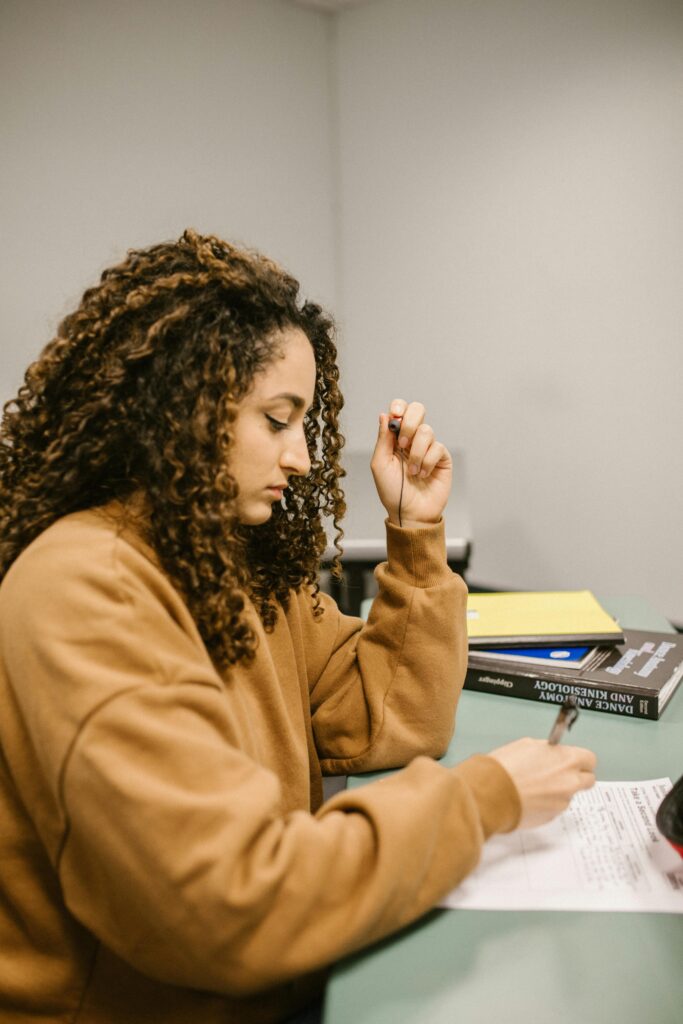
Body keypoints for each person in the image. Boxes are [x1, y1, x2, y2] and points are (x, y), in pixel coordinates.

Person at [0, 229, 596, 1024]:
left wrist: (416, 536)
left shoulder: (226, 560)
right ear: (183, 407)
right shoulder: (84, 588)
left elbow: (386, 714)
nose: (302, 460)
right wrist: (483, 800)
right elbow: (226, 908)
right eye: (277, 420)